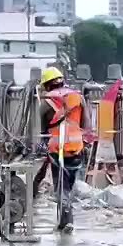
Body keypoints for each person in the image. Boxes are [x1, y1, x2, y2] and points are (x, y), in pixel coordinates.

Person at [38, 67, 87, 233]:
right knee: (69, 186)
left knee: (61, 187)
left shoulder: (46, 102)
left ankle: (66, 220)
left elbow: (40, 130)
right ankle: (66, 219)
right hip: (76, 149)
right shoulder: (78, 97)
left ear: (46, 85)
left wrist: (38, 146)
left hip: (57, 150)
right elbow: (86, 125)